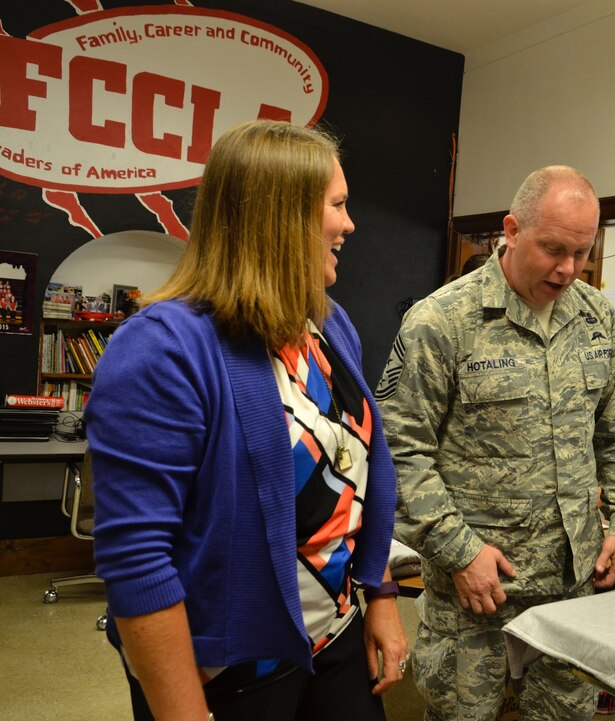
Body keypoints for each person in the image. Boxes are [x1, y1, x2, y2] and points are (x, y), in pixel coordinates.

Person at [86, 120, 408, 721]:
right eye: (338, 205)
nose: (349, 224)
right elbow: (137, 559)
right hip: (228, 667)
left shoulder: (328, 322)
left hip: (334, 632)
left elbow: (358, 474)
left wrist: (380, 594)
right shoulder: (162, 348)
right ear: (282, 219)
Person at [375, 165, 615, 721]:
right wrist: (459, 552)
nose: (569, 269)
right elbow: (398, 452)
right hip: (477, 592)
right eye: (553, 249)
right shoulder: (441, 322)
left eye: (583, 253)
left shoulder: (599, 322)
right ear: (512, 230)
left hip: (571, 585)